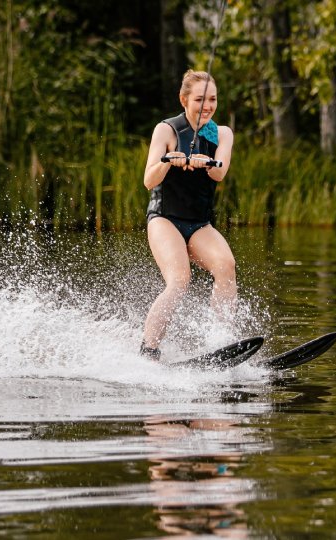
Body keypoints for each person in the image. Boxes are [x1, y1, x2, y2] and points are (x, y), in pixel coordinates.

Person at [140, 69, 235, 360]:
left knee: (226, 267)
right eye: (200, 99)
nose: (207, 106)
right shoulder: (166, 131)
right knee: (180, 279)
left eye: (213, 99)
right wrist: (169, 160)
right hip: (164, 218)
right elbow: (149, 180)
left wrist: (207, 163)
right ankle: (149, 351)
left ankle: (220, 342)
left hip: (199, 223)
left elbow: (219, 173)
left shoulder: (221, 134)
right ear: (184, 100)